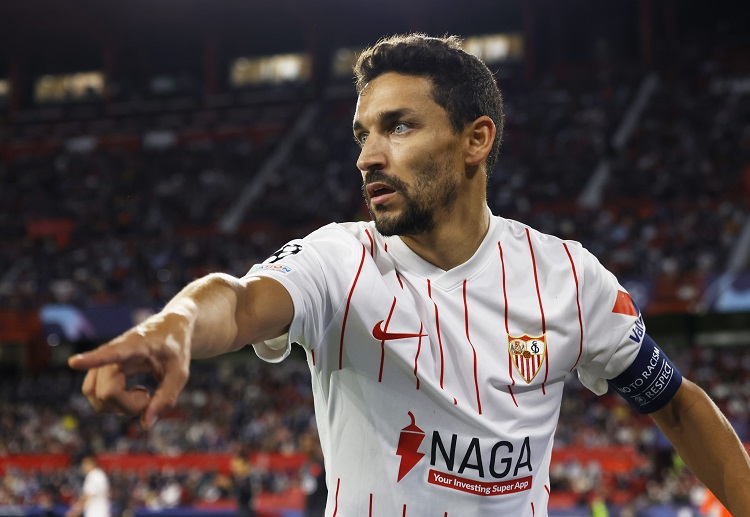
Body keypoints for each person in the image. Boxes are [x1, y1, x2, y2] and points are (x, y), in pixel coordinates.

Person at [68, 34, 750, 516]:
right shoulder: (338, 261)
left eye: (397, 127)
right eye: (362, 134)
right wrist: (177, 323)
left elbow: (676, 402)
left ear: (475, 139)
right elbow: (241, 302)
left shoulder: (568, 277)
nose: (368, 156)